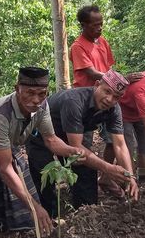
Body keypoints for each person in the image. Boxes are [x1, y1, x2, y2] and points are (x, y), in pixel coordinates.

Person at [0, 67, 85, 238]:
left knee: (25, 195)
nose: (35, 100)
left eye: (42, 94)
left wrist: (70, 151)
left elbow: (50, 139)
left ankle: (18, 233)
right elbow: (5, 169)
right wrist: (35, 207)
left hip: (8, 146)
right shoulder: (0, 115)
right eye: (29, 93)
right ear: (17, 88)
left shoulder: (42, 106)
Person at [26, 69, 138, 215]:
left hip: (71, 134)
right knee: (44, 176)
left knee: (85, 169)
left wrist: (130, 177)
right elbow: (76, 147)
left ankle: (86, 214)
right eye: (107, 92)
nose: (109, 99)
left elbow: (120, 145)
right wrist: (108, 168)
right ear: (97, 85)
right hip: (41, 134)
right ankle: (48, 217)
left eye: (116, 97)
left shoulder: (113, 109)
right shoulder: (74, 101)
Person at [69, 5, 141, 194]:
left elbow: (109, 69)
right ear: (83, 25)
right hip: (87, 101)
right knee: (82, 146)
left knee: (114, 139)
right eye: (95, 25)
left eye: (101, 24)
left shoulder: (102, 42)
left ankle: (106, 178)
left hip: (106, 98)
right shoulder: (78, 47)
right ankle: (83, 189)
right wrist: (120, 80)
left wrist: (115, 84)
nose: (99, 28)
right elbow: (92, 73)